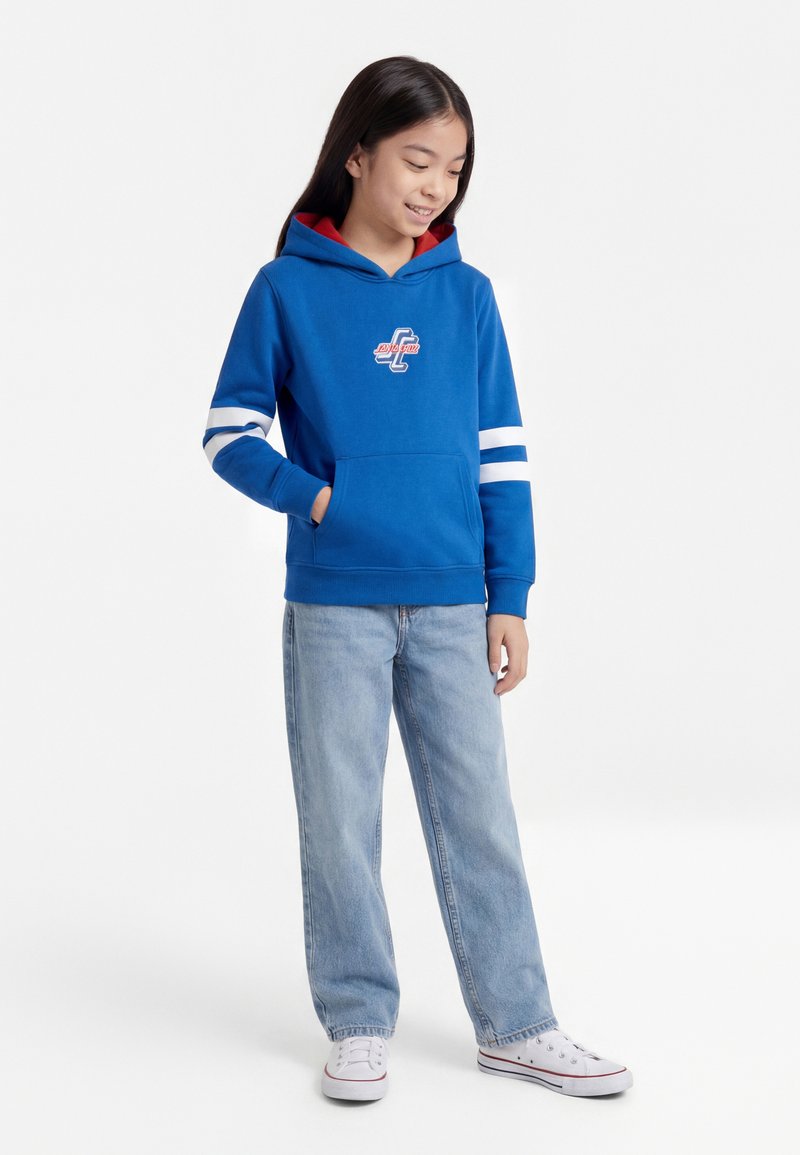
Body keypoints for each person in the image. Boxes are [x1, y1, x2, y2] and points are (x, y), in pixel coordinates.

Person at [202, 55, 633, 1103]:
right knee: (340, 820)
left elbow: (501, 455)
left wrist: (509, 594)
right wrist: (315, 499)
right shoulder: (285, 289)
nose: (436, 185)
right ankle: (356, 1022)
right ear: (357, 154)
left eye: (454, 168)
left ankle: (517, 1023)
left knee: (480, 816)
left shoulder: (467, 297)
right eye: (417, 160)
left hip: (451, 601)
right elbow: (227, 433)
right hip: (336, 603)